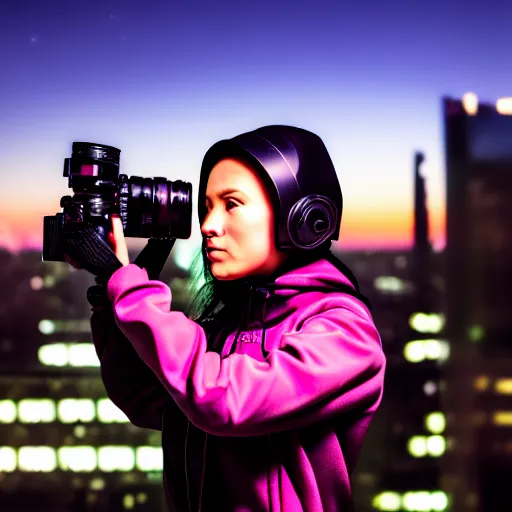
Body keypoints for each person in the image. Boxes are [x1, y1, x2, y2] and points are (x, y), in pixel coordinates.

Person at [66, 125, 386, 512]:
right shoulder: (228, 329)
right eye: (206, 207)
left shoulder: (344, 333)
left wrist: (131, 290)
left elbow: (223, 400)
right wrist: (110, 293)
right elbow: (145, 398)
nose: (207, 226)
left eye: (231, 204)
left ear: (302, 217)